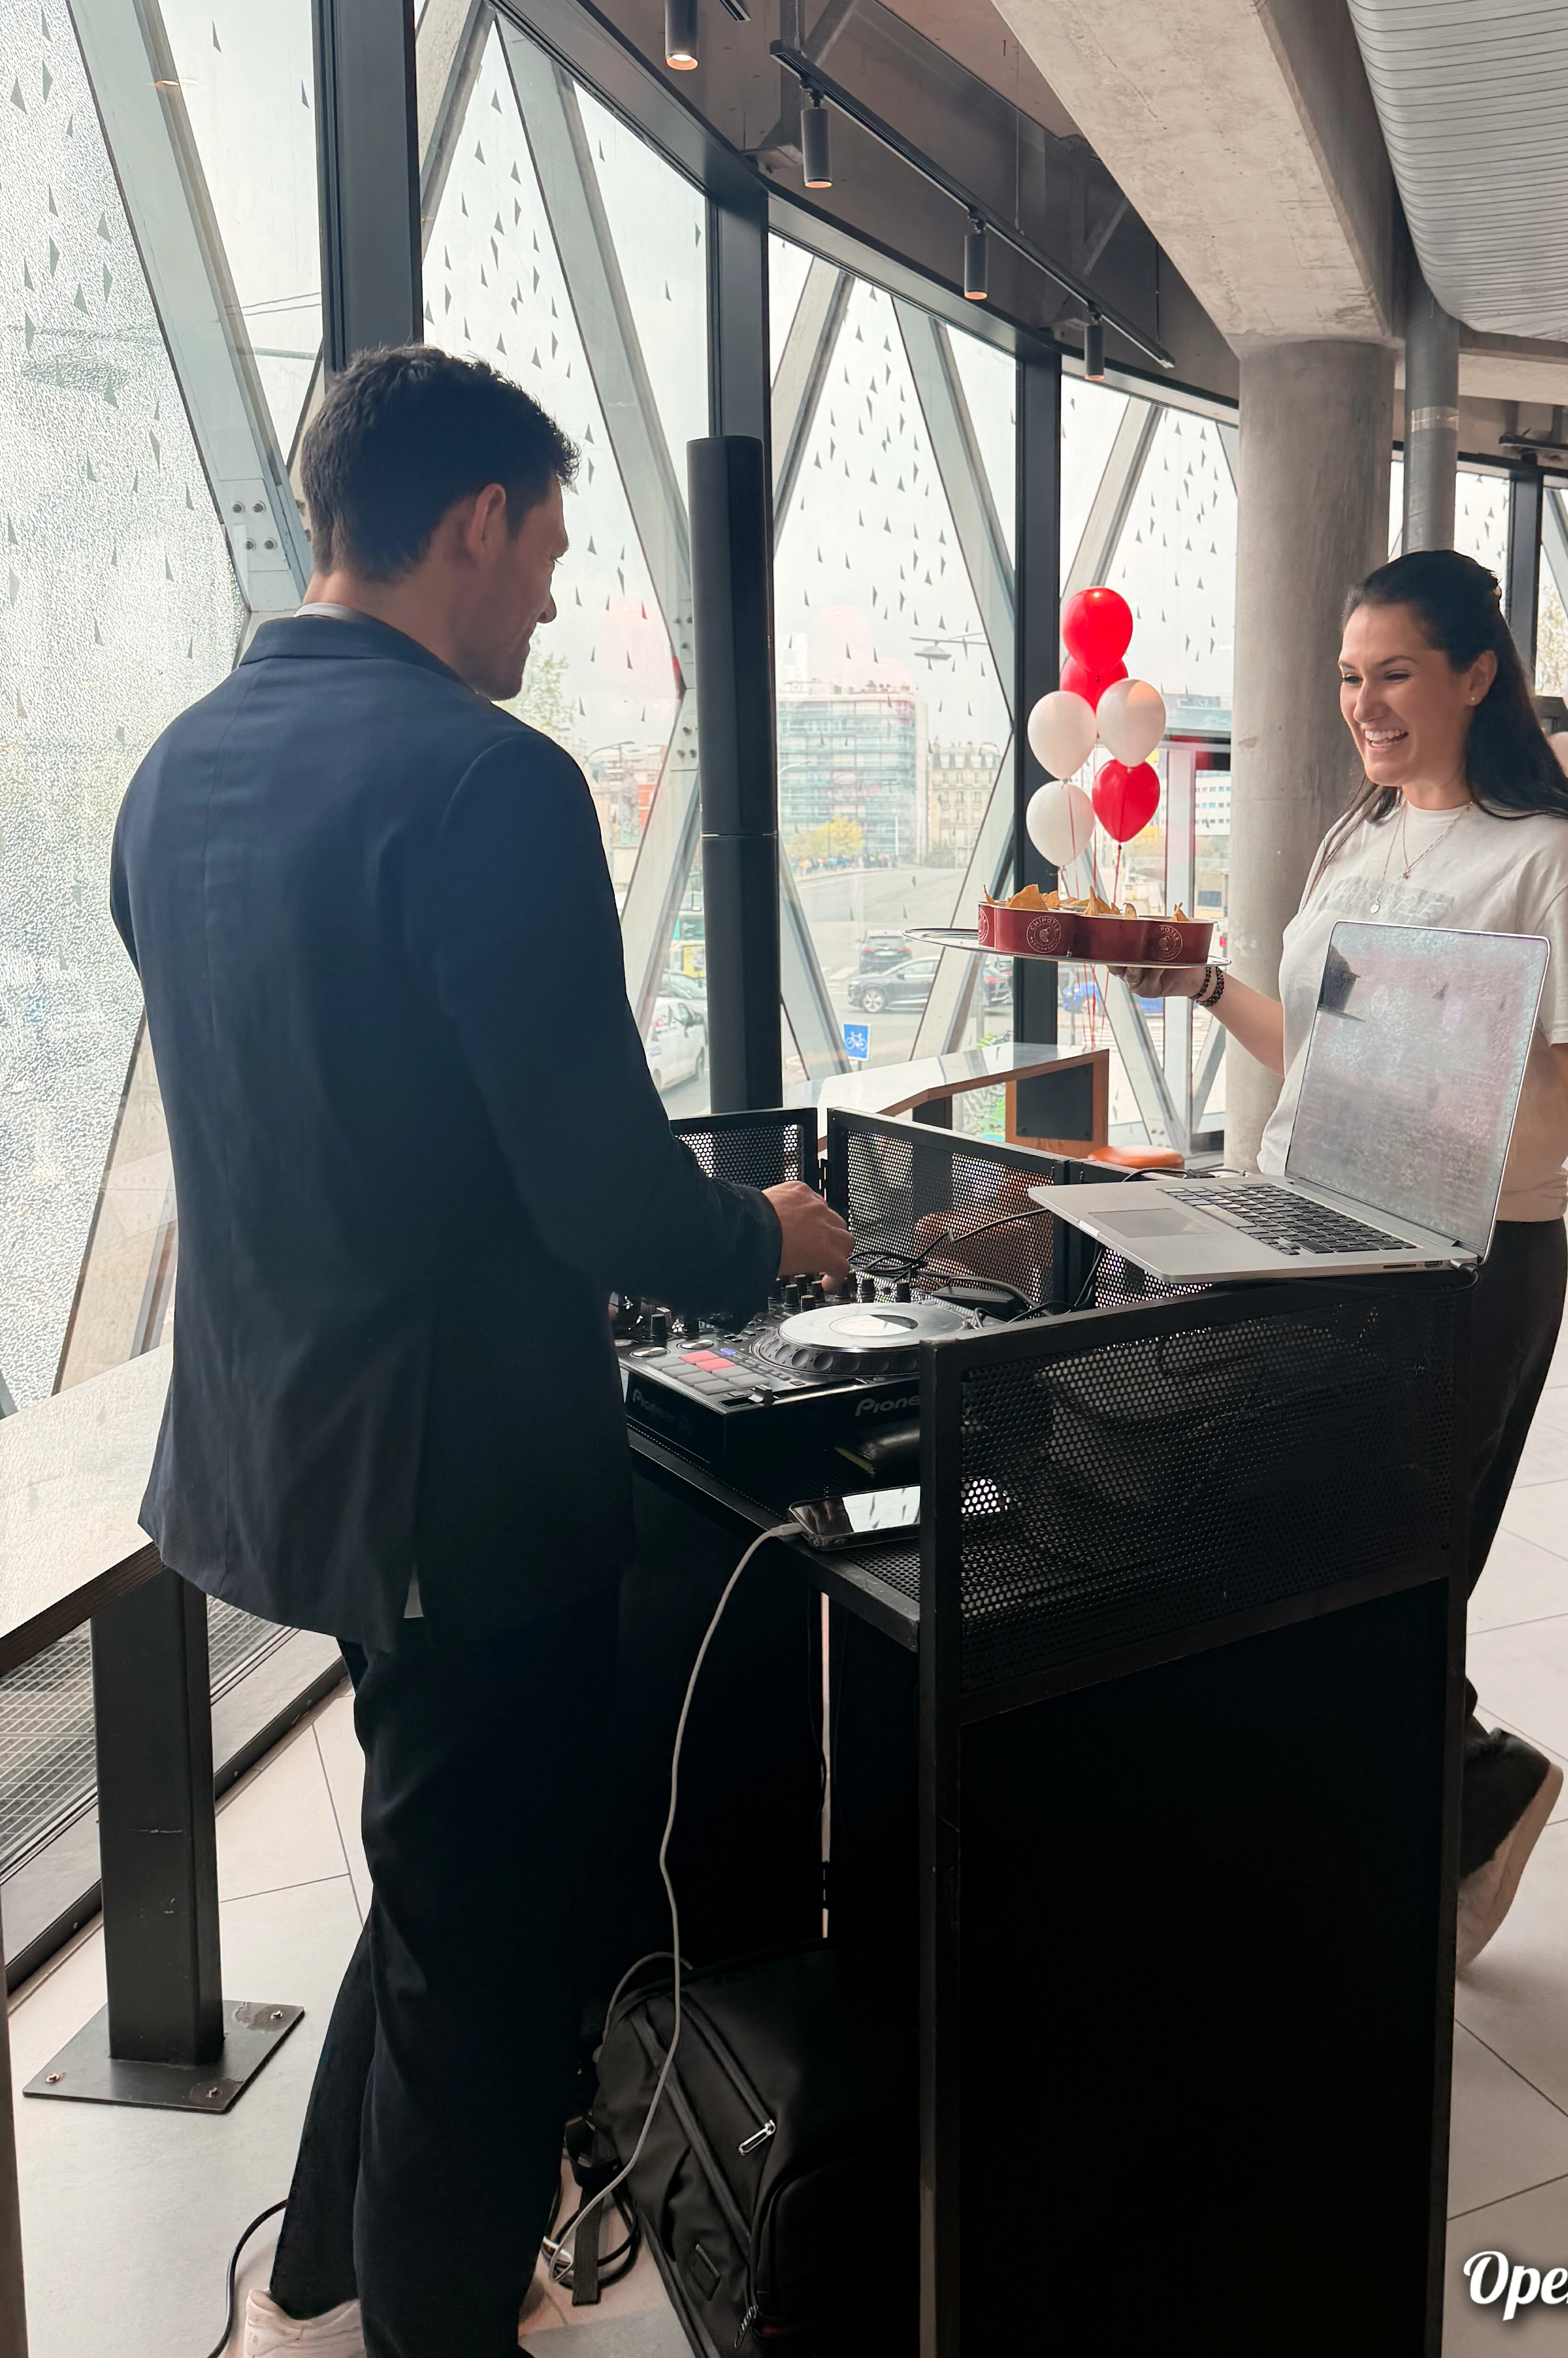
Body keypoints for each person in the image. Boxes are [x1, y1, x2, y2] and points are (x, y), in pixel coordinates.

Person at [109, 346, 854, 2358]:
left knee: (441, 1872)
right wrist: (766, 1240)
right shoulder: (482, 778)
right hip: (458, 1475)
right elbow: (609, 1198)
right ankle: (428, 2321)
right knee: (498, 1957)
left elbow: (315, 1116)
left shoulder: (178, 764)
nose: (546, 597)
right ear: (472, 524)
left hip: (283, 1454)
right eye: (543, 546)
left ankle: (331, 2268)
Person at [1121, 549, 1568, 1970]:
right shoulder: (1355, 843)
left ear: (1477, 675)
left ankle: (1447, 1816)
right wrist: (1197, 984)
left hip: (1466, 1266)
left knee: (1377, 1578)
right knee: (1294, 1560)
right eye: (1347, 678)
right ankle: (1443, 1808)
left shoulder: (1565, 868)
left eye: (1394, 675)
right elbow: (1317, 1054)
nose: (1364, 706)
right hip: (1314, 1232)